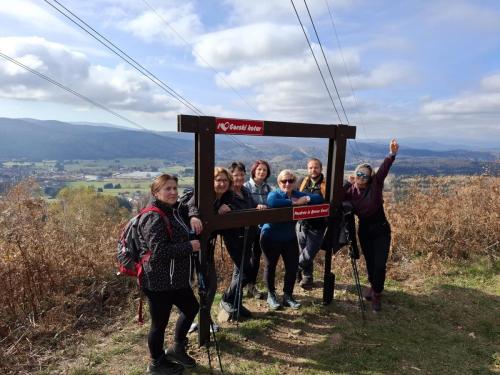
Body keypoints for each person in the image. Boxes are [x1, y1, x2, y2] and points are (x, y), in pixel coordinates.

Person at [138, 174, 203, 375]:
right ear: (156, 192)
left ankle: (177, 347)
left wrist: (193, 215)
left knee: (191, 307)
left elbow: (190, 203)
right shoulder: (154, 216)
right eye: (167, 189)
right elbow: (159, 252)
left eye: (175, 187)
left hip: (177, 280)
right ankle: (156, 363)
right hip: (158, 281)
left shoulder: (174, 210)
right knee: (159, 324)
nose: (173, 192)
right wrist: (189, 246)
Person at [344, 139, 399, 312]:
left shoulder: (375, 185)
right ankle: (374, 286)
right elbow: (337, 197)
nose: (361, 178)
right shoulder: (350, 191)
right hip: (365, 230)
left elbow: (383, 170)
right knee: (370, 262)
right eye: (359, 174)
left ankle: (376, 293)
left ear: (370, 177)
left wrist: (391, 154)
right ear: (355, 175)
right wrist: (347, 182)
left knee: (380, 264)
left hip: (381, 229)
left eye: (365, 175)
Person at [260, 169, 323, 310]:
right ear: (279, 182)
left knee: (292, 267)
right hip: (270, 236)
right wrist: (295, 204)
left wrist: (306, 199)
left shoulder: (297, 194)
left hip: (289, 237)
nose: (287, 183)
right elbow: (272, 202)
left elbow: (319, 199)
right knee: (271, 266)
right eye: (284, 181)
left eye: (290, 181)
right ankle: (271, 295)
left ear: (295, 183)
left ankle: (288, 296)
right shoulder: (275, 193)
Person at [219, 162, 267, 319]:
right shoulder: (227, 195)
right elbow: (218, 209)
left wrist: (259, 206)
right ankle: (227, 298)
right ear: (230, 176)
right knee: (244, 271)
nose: (239, 177)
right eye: (235, 175)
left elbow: (253, 206)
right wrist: (222, 209)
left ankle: (236, 304)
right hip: (235, 239)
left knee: (239, 272)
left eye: (241, 174)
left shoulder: (245, 191)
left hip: (249, 237)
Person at [296, 158, 327, 290]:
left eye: (316, 167)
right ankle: (307, 278)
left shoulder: (326, 184)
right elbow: (294, 196)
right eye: (310, 168)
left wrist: (308, 198)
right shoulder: (303, 182)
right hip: (302, 224)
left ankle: (294, 268)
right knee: (302, 251)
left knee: (308, 254)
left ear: (321, 169)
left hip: (317, 225)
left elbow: (323, 200)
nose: (313, 170)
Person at [243, 160, 272, 299]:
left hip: (263, 229)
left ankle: (251, 286)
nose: (262, 172)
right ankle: (241, 286)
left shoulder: (268, 188)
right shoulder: (246, 187)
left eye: (264, 170)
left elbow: (272, 205)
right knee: (245, 258)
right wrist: (256, 206)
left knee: (256, 257)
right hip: (248, 228)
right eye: (259, 169)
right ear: (254, 170)